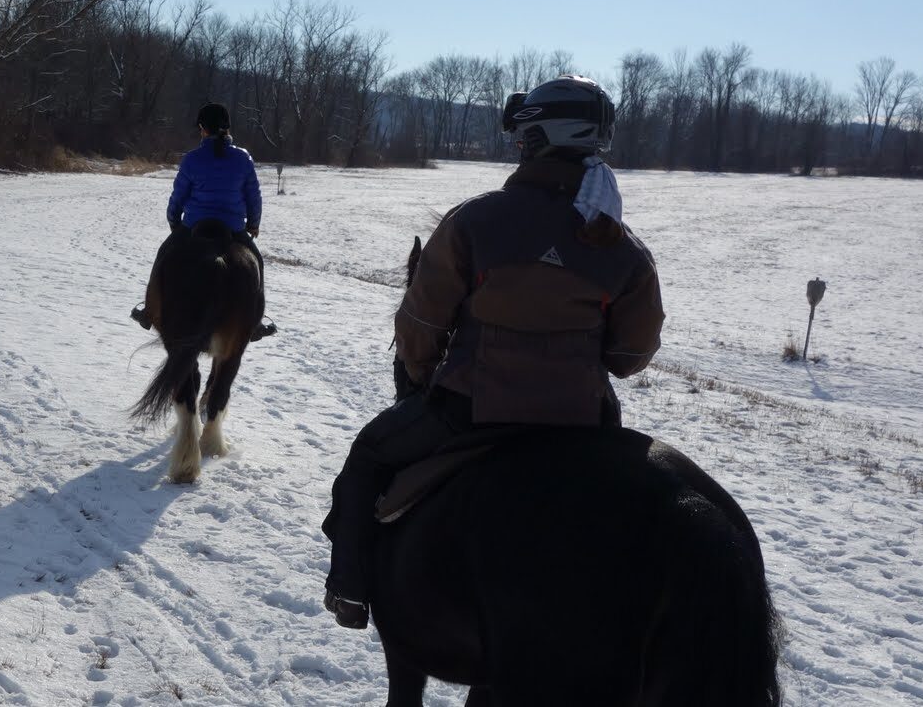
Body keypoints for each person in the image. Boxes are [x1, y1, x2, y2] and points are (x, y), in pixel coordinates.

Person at [319, 75, 665, 629]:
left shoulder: (475, 220)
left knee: (369, 457)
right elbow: (630, 356)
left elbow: (419, 326)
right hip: (584, 424)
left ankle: (351, 590)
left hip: (469, 412)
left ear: (538, 138)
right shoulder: (622, 247)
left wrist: (426, 374)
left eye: (523, 135)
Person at [129, 102, 275, 339]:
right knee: (256, 261)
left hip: (194, 226)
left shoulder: (192, 159)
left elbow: (178, 195)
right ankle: (254, 323)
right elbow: (253, 195)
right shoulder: (243, 159)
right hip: (233, 228)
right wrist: (253, 224)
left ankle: (149, 311)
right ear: (227, 128)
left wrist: (174, 221)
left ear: (202, 128)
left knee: (164, 253)